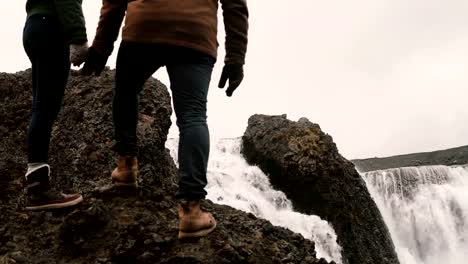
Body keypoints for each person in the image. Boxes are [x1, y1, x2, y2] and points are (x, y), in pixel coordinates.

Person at [82, 0, 249, 238]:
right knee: (192, 116)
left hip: (144, 28)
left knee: (126, 93)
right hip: (195, 34)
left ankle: (126, 168)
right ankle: (191, 210)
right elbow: (235, 6)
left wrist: (101, 47)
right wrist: (235, 59)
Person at [22, 0, 89, 210]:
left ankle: (35, 182)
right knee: (46, 107)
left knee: (41, 106)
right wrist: (78, 38)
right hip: (51, 26)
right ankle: (38, 188)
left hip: (35, 25)